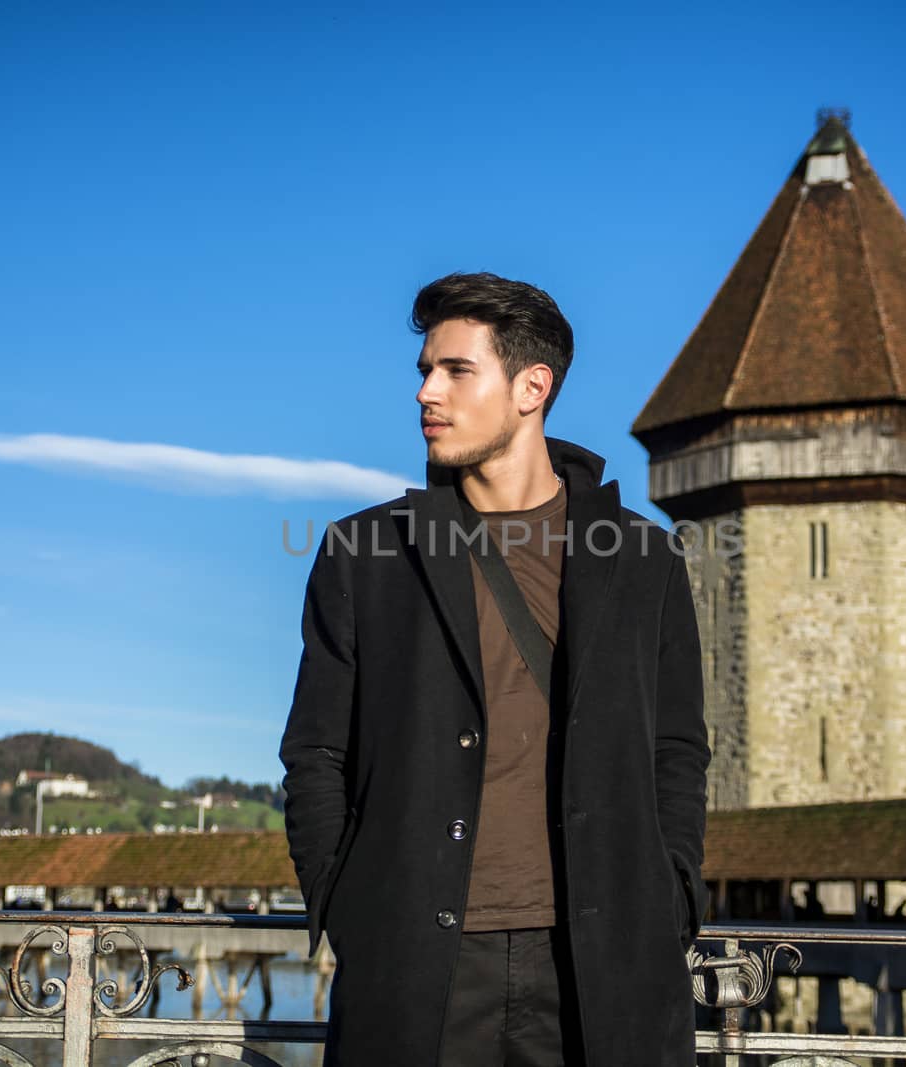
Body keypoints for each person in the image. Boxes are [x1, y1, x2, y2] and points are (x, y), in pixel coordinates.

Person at [279, 271, 710, 1066]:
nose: (425, 393)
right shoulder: (365, 553)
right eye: (423, 371)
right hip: (419, 960)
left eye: (455, 370)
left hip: (602, 960)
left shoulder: (644, 559)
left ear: (531, 387)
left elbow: (677, 750)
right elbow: (315, 753)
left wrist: (674, 893)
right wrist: (350, 905)